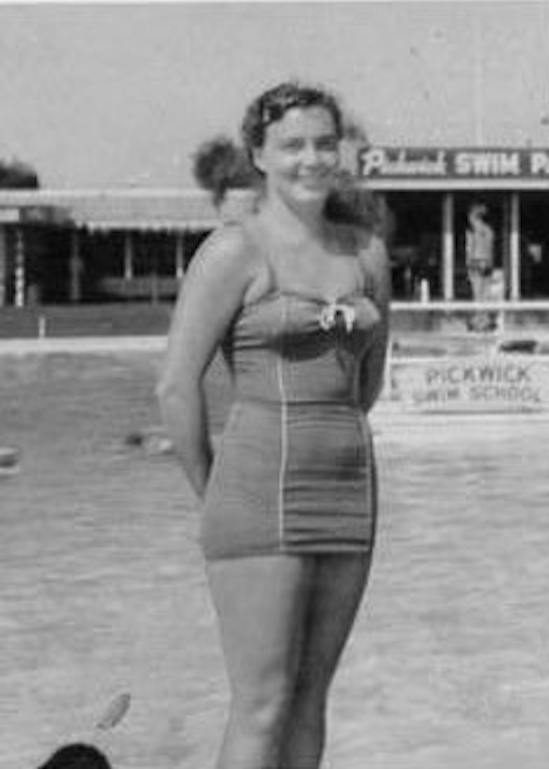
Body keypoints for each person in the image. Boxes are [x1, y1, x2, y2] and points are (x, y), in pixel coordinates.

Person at [158, 81, 392, 769]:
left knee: (311, 699)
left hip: (348, 492)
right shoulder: (234, 250)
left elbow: (368, 381)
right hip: (257, 488)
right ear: (259, 155)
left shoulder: (366, 253)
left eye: (324, 143)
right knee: (261, 705)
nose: (311, 159)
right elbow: (175, 386)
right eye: (292, 145)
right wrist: (214, 490)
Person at [465, 202, 496, 303]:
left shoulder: (475, 231)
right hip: (485, 262)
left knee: (478, 294)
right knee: (484, 294)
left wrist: (470, 264)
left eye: (470, 216)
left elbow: (472, 249)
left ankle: (480, 312)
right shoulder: (488, 230)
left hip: (477, 262)